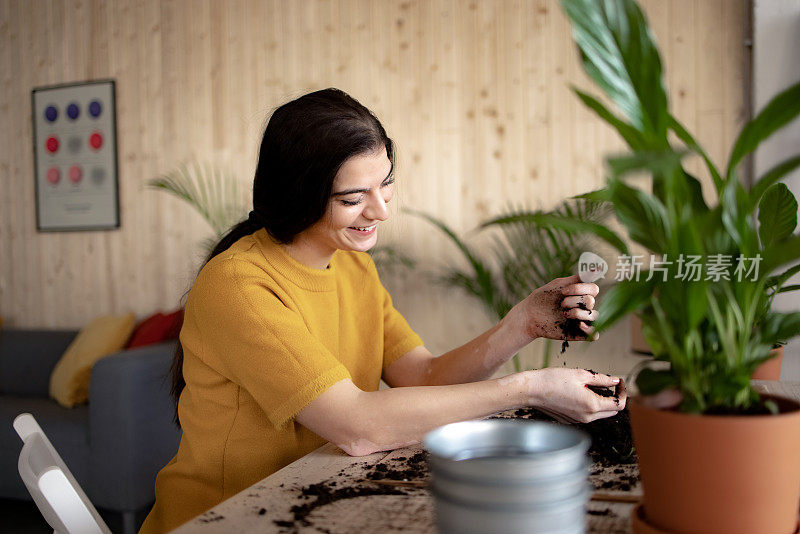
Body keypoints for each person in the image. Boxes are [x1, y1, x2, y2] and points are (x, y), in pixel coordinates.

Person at [139, 88, 626, 533]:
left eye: (384, 184)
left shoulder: (355, 269)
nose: (381, 210)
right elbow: (358, 427)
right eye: (353, 198)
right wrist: (531, 387)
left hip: (314, 504)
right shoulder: (238, 285)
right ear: (299, 197)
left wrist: (522, 323)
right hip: (226, 519)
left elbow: (425, 376)